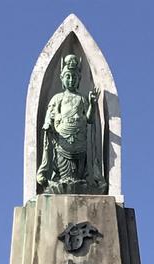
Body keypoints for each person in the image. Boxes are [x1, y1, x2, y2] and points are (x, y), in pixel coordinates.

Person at [37, 54, 104, 194]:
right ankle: (60, 184)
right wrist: (48, 123)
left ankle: (80, 184)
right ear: (62, 78)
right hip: (62, 139)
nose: (71, 80)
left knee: (78, 168)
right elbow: (50, 115)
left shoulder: (81, 99)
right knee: (63, 167)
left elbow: (89, 119)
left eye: (74, 77)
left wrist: (92, 104)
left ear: (78, 79)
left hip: (79, 139)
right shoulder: (58, 98)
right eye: (68, 76)